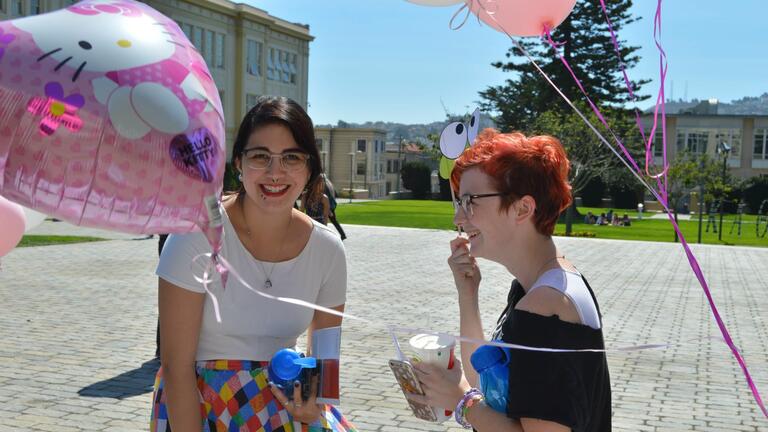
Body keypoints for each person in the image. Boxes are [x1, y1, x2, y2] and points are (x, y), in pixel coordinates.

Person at [151, 96, 356, 432]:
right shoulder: (197, 235)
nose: (276, 173)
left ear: (309, 168)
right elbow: (176, 367)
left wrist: (314, 404)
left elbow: (325, 362)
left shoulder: (328, 250)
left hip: (287, 409)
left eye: (291, 157)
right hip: (203, 410)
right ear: (238, 164)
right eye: (261, 156)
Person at [408, 130, 611, 431]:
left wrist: (462, 400)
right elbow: (486, 381)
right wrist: (468, 292)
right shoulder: (535, 289)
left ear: (522, 208)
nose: (458, 218)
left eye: (470, 201)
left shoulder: (547, 305)